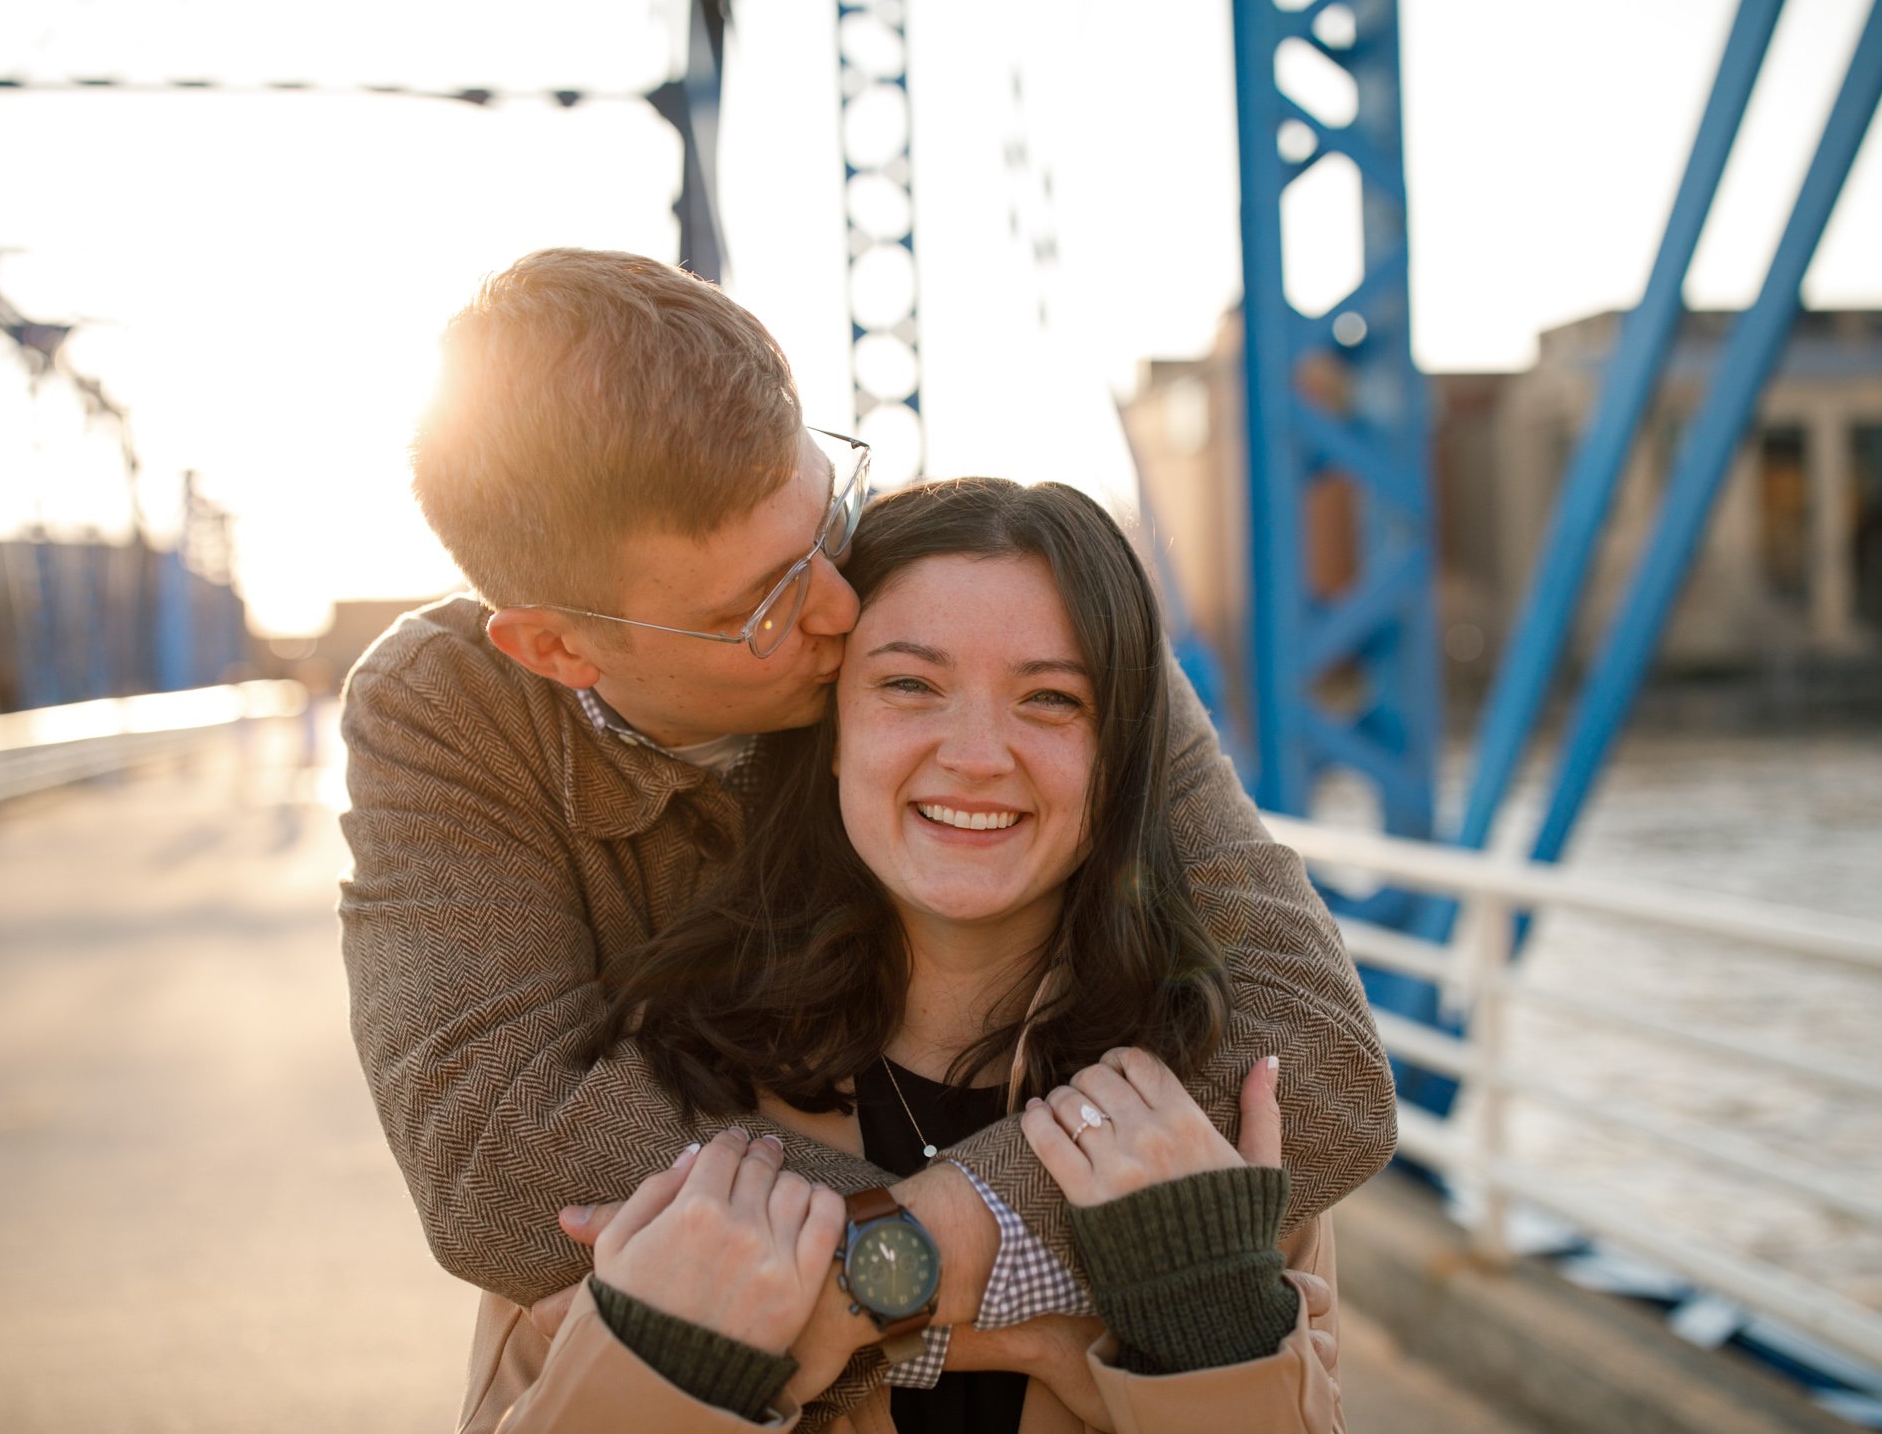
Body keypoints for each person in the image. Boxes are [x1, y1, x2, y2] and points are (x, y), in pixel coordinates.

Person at [339, 248, 1393, 1421]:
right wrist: (1048, 1279)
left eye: (826, 515)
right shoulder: (450, 711)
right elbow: (504, 1175)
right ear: (558, 650)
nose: (841, 606)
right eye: (760, 607)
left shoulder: (970, 600)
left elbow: (1321, 1063)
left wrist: (900, 1265)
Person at [464, 478, 1345, 1431]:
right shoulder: (655, 1095)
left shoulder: (1195, 1104)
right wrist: (670, 1368)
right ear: (833, 733)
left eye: (1051, 698)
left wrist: (1211, 1327)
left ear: (1121, 754)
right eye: (910, 684)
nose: (975, 754)